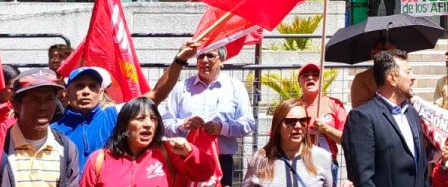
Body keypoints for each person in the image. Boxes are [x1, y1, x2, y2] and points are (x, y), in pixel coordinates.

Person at [160, 46, 255, 186]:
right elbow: (164, 124)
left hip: (221, 161)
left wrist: (222, 127)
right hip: (185, 158)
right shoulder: (181, 88)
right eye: (200, 56)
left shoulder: (236, 88)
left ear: (222, 60)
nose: (204, 60)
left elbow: (248, 124)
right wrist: (183, 124)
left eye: (210, 56)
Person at [342, 49, 437, 187]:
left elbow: (422, 168)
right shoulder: (362, 117)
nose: (413, 77)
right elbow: (362, 178)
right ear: (392, 78)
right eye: (408, 72)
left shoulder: (412, 113)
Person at [81, 96, 217, 187]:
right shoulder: (99, 160)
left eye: (153, 119)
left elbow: (206, 173)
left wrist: (190, 152)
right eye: (140, 118)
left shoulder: (170, 152)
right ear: (124, 125)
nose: (148, 124)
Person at [0, 68, 82, 187]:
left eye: (49, 99)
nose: (43, 107)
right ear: (16, 105)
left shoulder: (66, 148)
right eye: (35, 99)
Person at [245, 99, 335, 187]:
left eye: (303, 121)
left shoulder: (322, 157)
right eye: (290, 121)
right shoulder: (260, 159)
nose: (298, 126)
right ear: (278, 126)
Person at [53, 66, 120, 173]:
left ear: (101, 93)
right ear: (67, 93)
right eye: (80, 86)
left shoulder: (114, 117)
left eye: (92, 86)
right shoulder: (53, 131)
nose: (86, 92)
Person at [297, 63, 346, 182]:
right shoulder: (293, 107)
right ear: (299, 82)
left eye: (315, 75)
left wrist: (326, 129)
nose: (310, 78)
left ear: (321, 81)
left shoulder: (334, 104)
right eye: (305, 75)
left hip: (327, 164)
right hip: (300, 163)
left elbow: (345, 139)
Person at [350, 40, 398, 108]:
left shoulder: (401, 76)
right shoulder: (362, 79)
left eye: (393, 51)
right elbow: (359, 108)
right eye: (384, 50)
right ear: (373, 52)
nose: (389, 55)